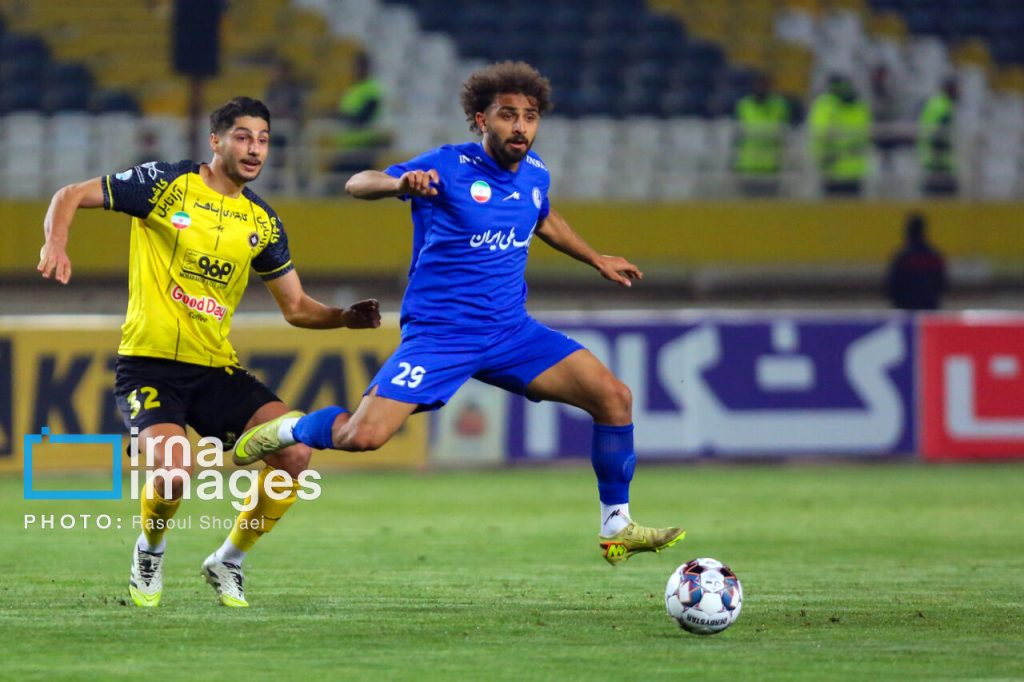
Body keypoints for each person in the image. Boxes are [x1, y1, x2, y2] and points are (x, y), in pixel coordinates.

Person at [233, 61, 684, 566]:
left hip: (511, 332)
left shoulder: (535, 173)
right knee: (362, 436)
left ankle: (616, 525)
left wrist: (596, 258)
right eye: (507, 115)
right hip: (441, 335)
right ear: (481, 119)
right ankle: (289, 430)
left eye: (530, 116)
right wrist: (399, 185)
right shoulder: (447, 166)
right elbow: (359, 182)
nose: (520, 127)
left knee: (614, 397)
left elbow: (543, 216)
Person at [36, 96, 381, 608]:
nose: (255, 149)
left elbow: (296, 308)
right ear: (215, 140)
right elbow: (70, 194)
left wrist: (343, 317)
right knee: (176, 472)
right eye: (243, 137)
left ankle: (228, 560)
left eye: (263, 140)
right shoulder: (165, 184)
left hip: (216, 369)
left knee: (295, 454)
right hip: (149, 365)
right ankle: (150, 550)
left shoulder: (261, 221)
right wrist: (56, 242)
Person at [809, 74, 873, 196]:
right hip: (845, 168)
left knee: (836, 205)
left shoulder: (825, 104)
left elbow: (820, 134)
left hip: (839, 168)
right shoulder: (859, 105)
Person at [331, 50, 391, 175]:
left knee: (346, 179)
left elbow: (364, 117)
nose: (355, 70)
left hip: (364, 146)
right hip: (347, 146)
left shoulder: (371, 90)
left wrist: (341, 116)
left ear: (366, 68)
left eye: (358, 66)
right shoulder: (353, 88)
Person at [733, 73, 793, 196]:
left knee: (769, 205)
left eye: (764, 86)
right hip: (748, 165)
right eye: (758, 86)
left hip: (771, 165)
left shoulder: (779, 106)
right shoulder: (744, 105)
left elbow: (785, 132)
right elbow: (736, 134)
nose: (761, 89)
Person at [886, 213, 947, 310]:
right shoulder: (933, 257)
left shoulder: (902, 258)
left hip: (906, 309)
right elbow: (942, 285)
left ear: (908, 232)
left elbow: (891, 287)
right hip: (929, 309)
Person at [918, 77, 958, 196]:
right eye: (955, 89)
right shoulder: (944, 106)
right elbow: (939, 134)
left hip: (930, 155)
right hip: (938, 159)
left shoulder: (935, 103)